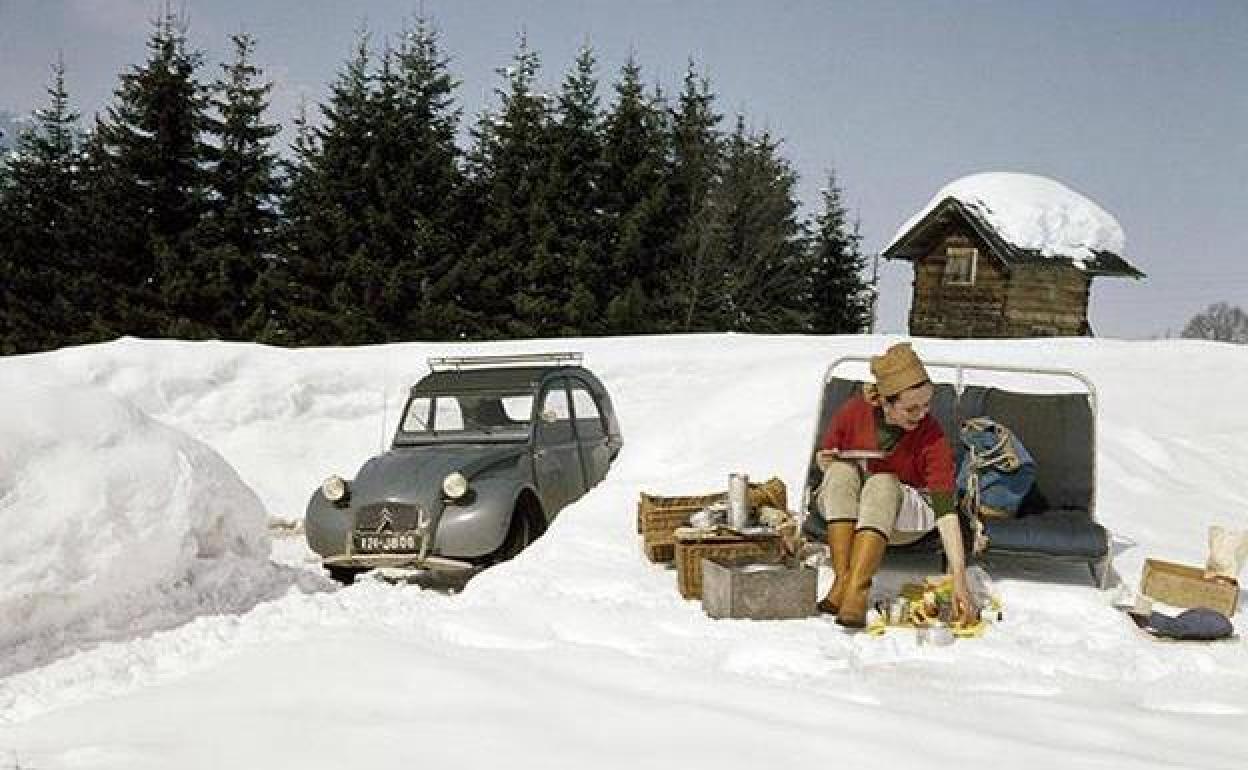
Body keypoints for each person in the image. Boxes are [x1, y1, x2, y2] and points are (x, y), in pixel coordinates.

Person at [813, 342, 976, 628]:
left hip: (904, 521)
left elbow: (945, 511)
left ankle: (857, 591)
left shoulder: (932, 436)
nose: (921, 414)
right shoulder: (854, 412)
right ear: (885, 401)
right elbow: (825, 460)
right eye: (911, 408)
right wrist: (831, 461)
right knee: (839, 472)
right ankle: (842, 583)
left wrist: (959, 578)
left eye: (926, 405)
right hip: (853, 512)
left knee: (882, 482)